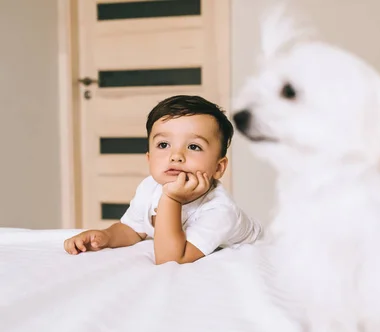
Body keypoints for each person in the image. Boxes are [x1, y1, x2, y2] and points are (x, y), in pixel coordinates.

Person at [64, 95, 262, 264]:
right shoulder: (150, 186)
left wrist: (172, 200)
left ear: (218, 168)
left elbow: (171, 259)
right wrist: (106, 236)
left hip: (260, 252)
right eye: (163, 144)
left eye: (193, 147)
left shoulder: (220, 211)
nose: (176, 156)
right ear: (149, 158)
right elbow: (133, 229)